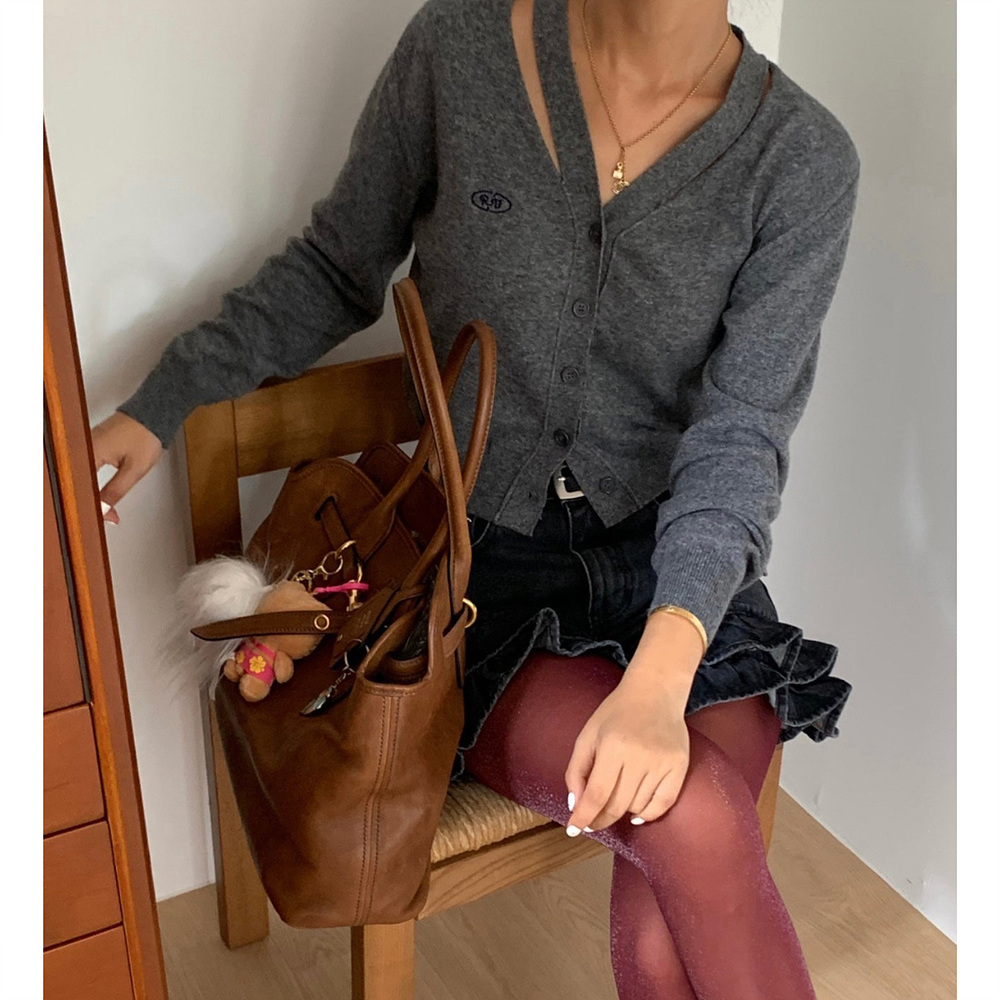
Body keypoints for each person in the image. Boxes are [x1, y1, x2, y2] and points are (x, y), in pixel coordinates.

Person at [92, 0, 859, 995]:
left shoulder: (800, 158)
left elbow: (740, 433)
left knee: (669, 912)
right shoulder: (460, 50)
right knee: (696, 816)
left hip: (680, 579)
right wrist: (164, 400)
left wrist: (659, 678)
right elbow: (337, 266)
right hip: (479, 577)